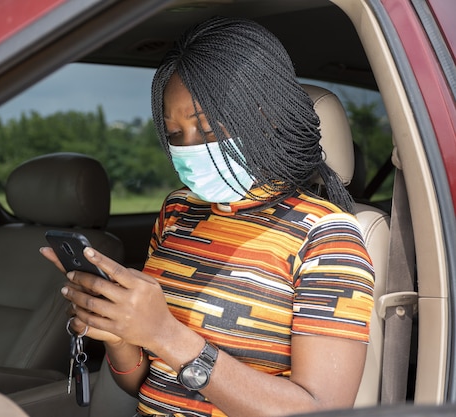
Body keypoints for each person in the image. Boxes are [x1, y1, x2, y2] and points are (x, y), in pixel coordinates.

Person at [41, 16, 374, 417]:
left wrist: (166, 334)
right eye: (175, 135)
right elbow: (143, 383)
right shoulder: (178, 210)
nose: (189, 149)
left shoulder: (327, 238)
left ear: (266, 117)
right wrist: (119, 332)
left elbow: (320, 410)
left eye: (209, 130)